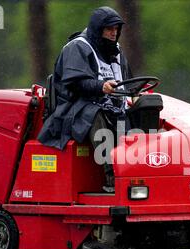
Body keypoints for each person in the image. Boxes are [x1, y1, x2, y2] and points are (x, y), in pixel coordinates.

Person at [38, 6, 132, 193]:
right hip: (74, 110)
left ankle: (140, 171)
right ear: (98, 29)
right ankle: (112, 175)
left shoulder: (117, 51)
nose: (114, 33)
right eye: (109, 29)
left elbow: (127, 83)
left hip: (113, 108)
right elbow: (75, 84)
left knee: (147, 108)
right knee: (94, 112)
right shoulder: (77, 48)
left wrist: (135, 95)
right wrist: (101, 86)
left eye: (116, 29)